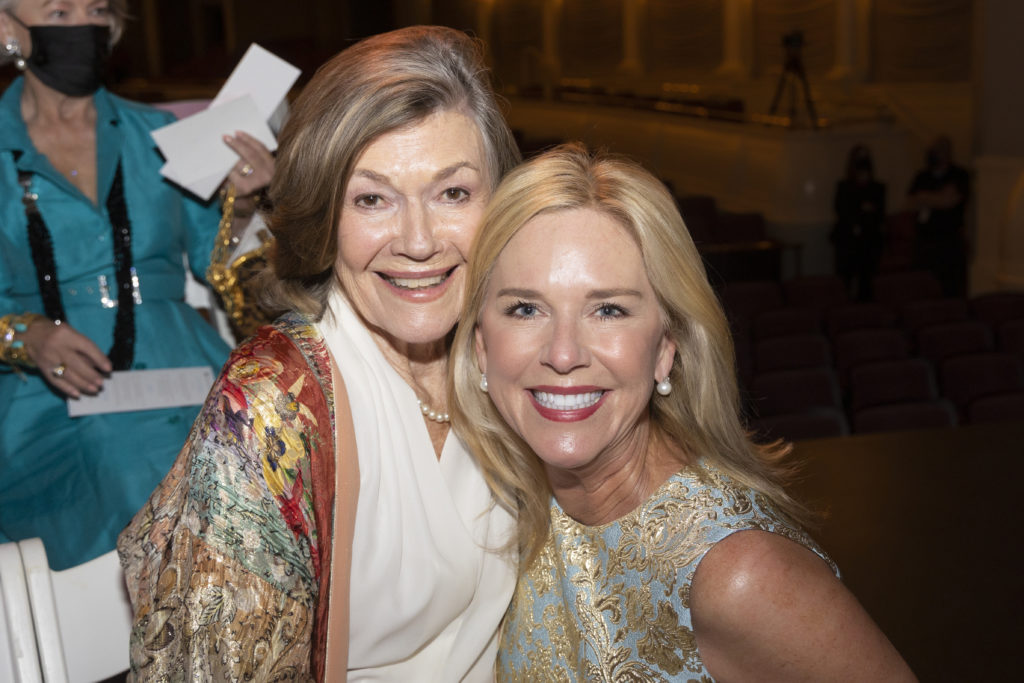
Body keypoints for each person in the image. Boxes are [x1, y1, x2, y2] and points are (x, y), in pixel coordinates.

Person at [117, 26, 522, 681]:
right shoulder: (272, 407)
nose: (419, 241)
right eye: (372, 198)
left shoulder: (518, 356)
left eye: (453, 192)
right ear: (324, 216)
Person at [450, 144, 917, 681]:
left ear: (666, 347)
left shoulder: (737, 574)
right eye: (525, 309)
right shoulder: (507, 502)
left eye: (608, 310)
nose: (562, 353)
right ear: (481, 346)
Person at [0, 0, 271, 570]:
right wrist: (25, 337)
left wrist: (243, 204)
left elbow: (222, 268)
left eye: (96, 10)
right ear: (7, 28)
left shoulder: (162, 136)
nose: (85, 28)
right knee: (126, 471)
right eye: (59, 12)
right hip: (48, 390)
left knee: (251, 456)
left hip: (183, 364)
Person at [907, 135, 970, 296]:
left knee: (951, 288)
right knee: (922, 286)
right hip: (925, 240)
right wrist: (939, 197)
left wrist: (926, 198)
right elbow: (912, 202)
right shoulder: (922, 176)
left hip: (950, 240)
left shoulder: (959, 175)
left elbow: (950, 201)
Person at [832, 143, 886, 301]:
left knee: (867, 281)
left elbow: (878, 213)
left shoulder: (878, 188)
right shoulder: (844, 187)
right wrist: (861, 208)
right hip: (847, 241)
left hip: (869, 241)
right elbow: (842, 211)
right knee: (844, 280)